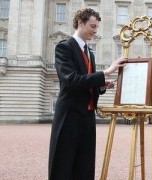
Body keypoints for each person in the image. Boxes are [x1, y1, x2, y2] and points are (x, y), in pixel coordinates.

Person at [48, 8, 126, 180]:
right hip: (69, 115)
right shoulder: (64, 47)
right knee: (63, 163)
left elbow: (86, 81)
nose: (95, 30)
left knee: (85, 164)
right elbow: (72, 80)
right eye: (92, 26)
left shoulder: (89, 52)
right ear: (80, 23)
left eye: (96, 27)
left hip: (87, 116)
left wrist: (102, 85)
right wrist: (106, 72)